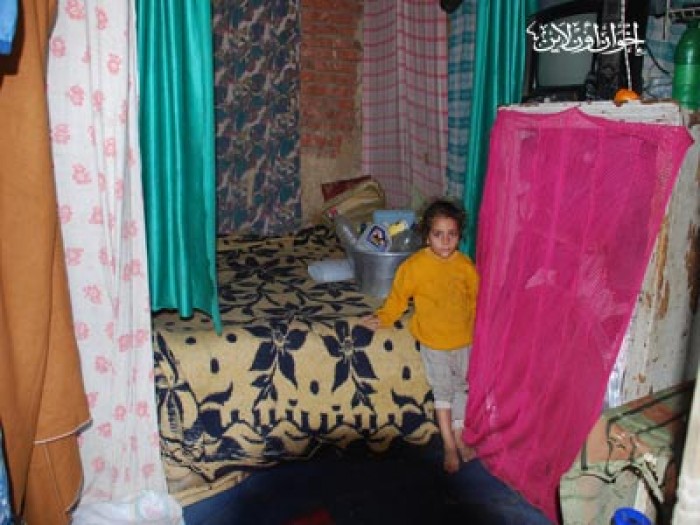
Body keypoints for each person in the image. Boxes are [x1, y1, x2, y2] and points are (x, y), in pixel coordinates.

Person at [361, 199, 479, 473]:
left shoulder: (465, 266)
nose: (445, 241)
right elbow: (398, 298)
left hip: (463, 341)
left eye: (452, 234)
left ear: (459, 236)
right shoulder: (414, 266)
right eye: (438, 234)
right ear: (427, 237)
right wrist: (383, 317)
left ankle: (460, 438)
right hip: (434, 343)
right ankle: (449, 445)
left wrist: (478, 330)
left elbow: (475, 302)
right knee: (443, 392)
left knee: (462, 388)